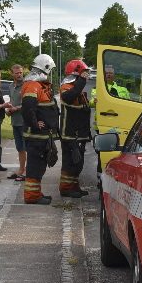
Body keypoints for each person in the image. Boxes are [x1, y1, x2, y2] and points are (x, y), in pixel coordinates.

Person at [21, 54, 59, 205]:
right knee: (35, 166)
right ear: (46, 67)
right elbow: (27, 109)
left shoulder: (38, 85)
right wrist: (36, 124)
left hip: (41, 136)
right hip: (36, 136)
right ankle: (31, 196)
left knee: (39, 166)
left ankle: (36, 193)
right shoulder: (32, 85)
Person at [59, 59, 92, 198]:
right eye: (84, 73)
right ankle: (65, 188)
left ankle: (74, 186)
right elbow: (70, 96)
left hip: (79, 133)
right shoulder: (66, 87)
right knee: (70, 162)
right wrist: (82, 81)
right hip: (70, 133)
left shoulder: (77, 87)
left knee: (78, 163)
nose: (86, 75)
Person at [5, 64, 26, 181]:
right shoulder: (11, 86)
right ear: (12, 74)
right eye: (17, 73)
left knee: (26, 147)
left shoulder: (26, 85)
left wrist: (16, 108)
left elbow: (29, 104)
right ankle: (21, 170)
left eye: (21, 73)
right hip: (15, 122)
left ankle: (24, 171)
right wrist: (9, 110)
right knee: (19, 148)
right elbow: (12, 102)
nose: (19, 75)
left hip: (24, 122)